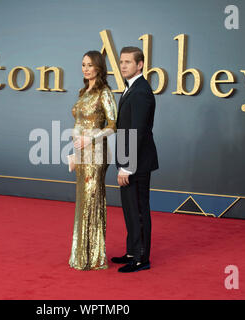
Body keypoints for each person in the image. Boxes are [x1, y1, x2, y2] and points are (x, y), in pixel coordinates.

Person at [68, 50, 117, 270]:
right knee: (83, 201)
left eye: (90, 65)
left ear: (99, 67)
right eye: (83, 64)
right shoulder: (83, 92)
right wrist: (74, 152)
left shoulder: (104, 92)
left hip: (96, 153)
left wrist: (90, 137)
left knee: (92, 200)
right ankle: (81, 255)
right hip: (80, 153)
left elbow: (112, 125)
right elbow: (79, 124)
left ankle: (94, 256)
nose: (86, 69)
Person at [112, 46, 159, 273]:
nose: (123, 66)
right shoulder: (131, 88)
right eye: (121, 62)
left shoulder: (140, 91)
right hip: (129, 160)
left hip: (137, 163)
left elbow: (138, 131)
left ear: (140, 64)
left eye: (128, 62)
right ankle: (132, 251)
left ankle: (141, 259)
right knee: (130, 209)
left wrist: (127, 167)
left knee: (139, 210)